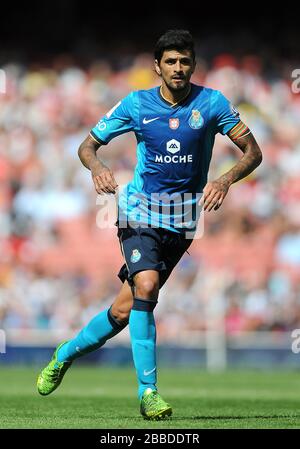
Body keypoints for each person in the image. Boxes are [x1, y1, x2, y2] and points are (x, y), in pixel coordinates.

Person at [37, 29, 262, 420]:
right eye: (171, 61)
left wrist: (225, 179)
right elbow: (86, 146)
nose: (178, 68)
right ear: (157, 67)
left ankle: (64, 353)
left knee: (124, 311)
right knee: (147, 284)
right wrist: (98, 167)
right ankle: (149, 393)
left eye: (185, 61)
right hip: (138, 212)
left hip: (182, 220)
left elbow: (253, 152)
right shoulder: (136, 104)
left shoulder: (211, 103)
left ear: (193, 65)